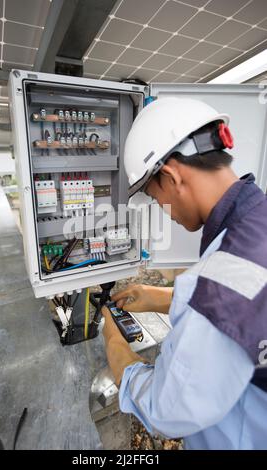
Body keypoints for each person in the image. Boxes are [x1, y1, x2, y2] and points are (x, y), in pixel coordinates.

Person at [102, 97, 267, 450]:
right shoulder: (259, 220)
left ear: (172, 175)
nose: (164, 211)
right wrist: (163, 298)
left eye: (154, 196)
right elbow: (250, 302)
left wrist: (117, 349)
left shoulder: (219, 278)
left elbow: (168, 408)